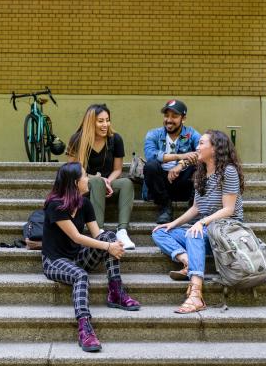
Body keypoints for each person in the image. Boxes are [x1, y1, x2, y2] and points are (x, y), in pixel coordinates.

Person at [41, 162, 141, 352]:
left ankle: (116, 292)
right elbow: (76, 237)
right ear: (75, 181)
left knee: (109, 235)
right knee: (81, 276)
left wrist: (112, 244)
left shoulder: (84, 203)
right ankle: (84, 327)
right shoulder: (55, 205)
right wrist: (108, 246)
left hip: (77, 257)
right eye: (86, 176)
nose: (89, 179)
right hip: (54, 261)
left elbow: (97, 234)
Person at [151, 130, 244, 313]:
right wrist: (172, 224)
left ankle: (196, 295)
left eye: (201, 143)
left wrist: (201, 223)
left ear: (215, 148)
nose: (196, 147)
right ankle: (188, 261)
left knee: (195, 233)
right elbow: (196, 208)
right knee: (159, 232)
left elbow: (229, 209)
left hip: (225, 232)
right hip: (205, 231)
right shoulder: (200, 173)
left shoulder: (229, 171)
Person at [67, 104, 136, 249]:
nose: (105, 125)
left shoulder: (115, 139)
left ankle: (122, 231)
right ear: (91, 122)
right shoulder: (77, 139)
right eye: (100, 121)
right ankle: (99, 232)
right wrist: (97, 180)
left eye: (107, 120)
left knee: (126, 183)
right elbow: (72, 170)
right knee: (97, 182)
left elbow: (117, 169)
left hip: (107, 184)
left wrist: (108, 182)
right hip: (84, 186)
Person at [143, 99, 201, 224]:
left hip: (184, 183)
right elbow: (151, 155)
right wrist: (180, 156)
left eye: (174, 116)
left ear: (183, 118)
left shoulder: (192, 134)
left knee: (202, 165)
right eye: (166, 115)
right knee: (150, 166)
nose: (169, 120)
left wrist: (180, 165)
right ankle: (165, 207)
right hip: (161, 185)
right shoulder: (153, 134)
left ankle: (193, 208)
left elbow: (202, 152)